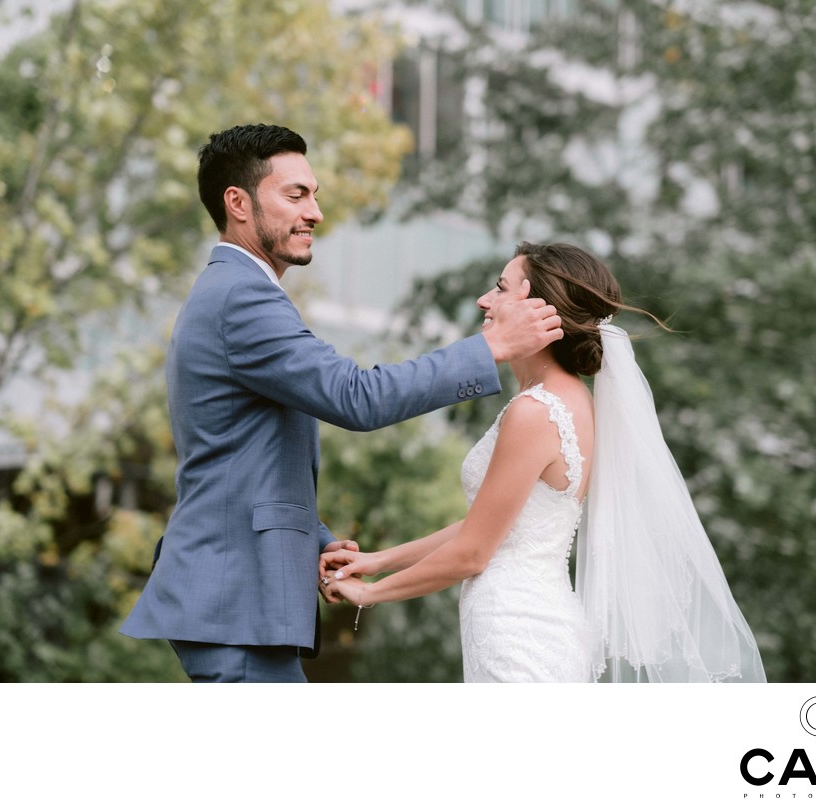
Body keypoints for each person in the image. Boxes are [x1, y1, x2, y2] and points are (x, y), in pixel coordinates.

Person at [119, 124, 563, 683]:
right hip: (235, 598)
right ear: (237, 202)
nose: (315, 214)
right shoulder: (242, 296)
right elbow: (357, 397)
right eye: (295, 195)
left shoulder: (238, 292)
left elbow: (241, 456)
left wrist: (315, 537)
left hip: (239, 597)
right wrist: (491, 348)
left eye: (315, 195)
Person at [323, 241, 767, 683]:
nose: (484, 300)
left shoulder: (535, 412)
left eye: (500, 288)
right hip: (536, 621)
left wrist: (369, 593)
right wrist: (377, 560)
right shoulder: (571, 403)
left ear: (538, 309)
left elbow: (474, 552)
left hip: (517, 635)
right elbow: (493, 526)